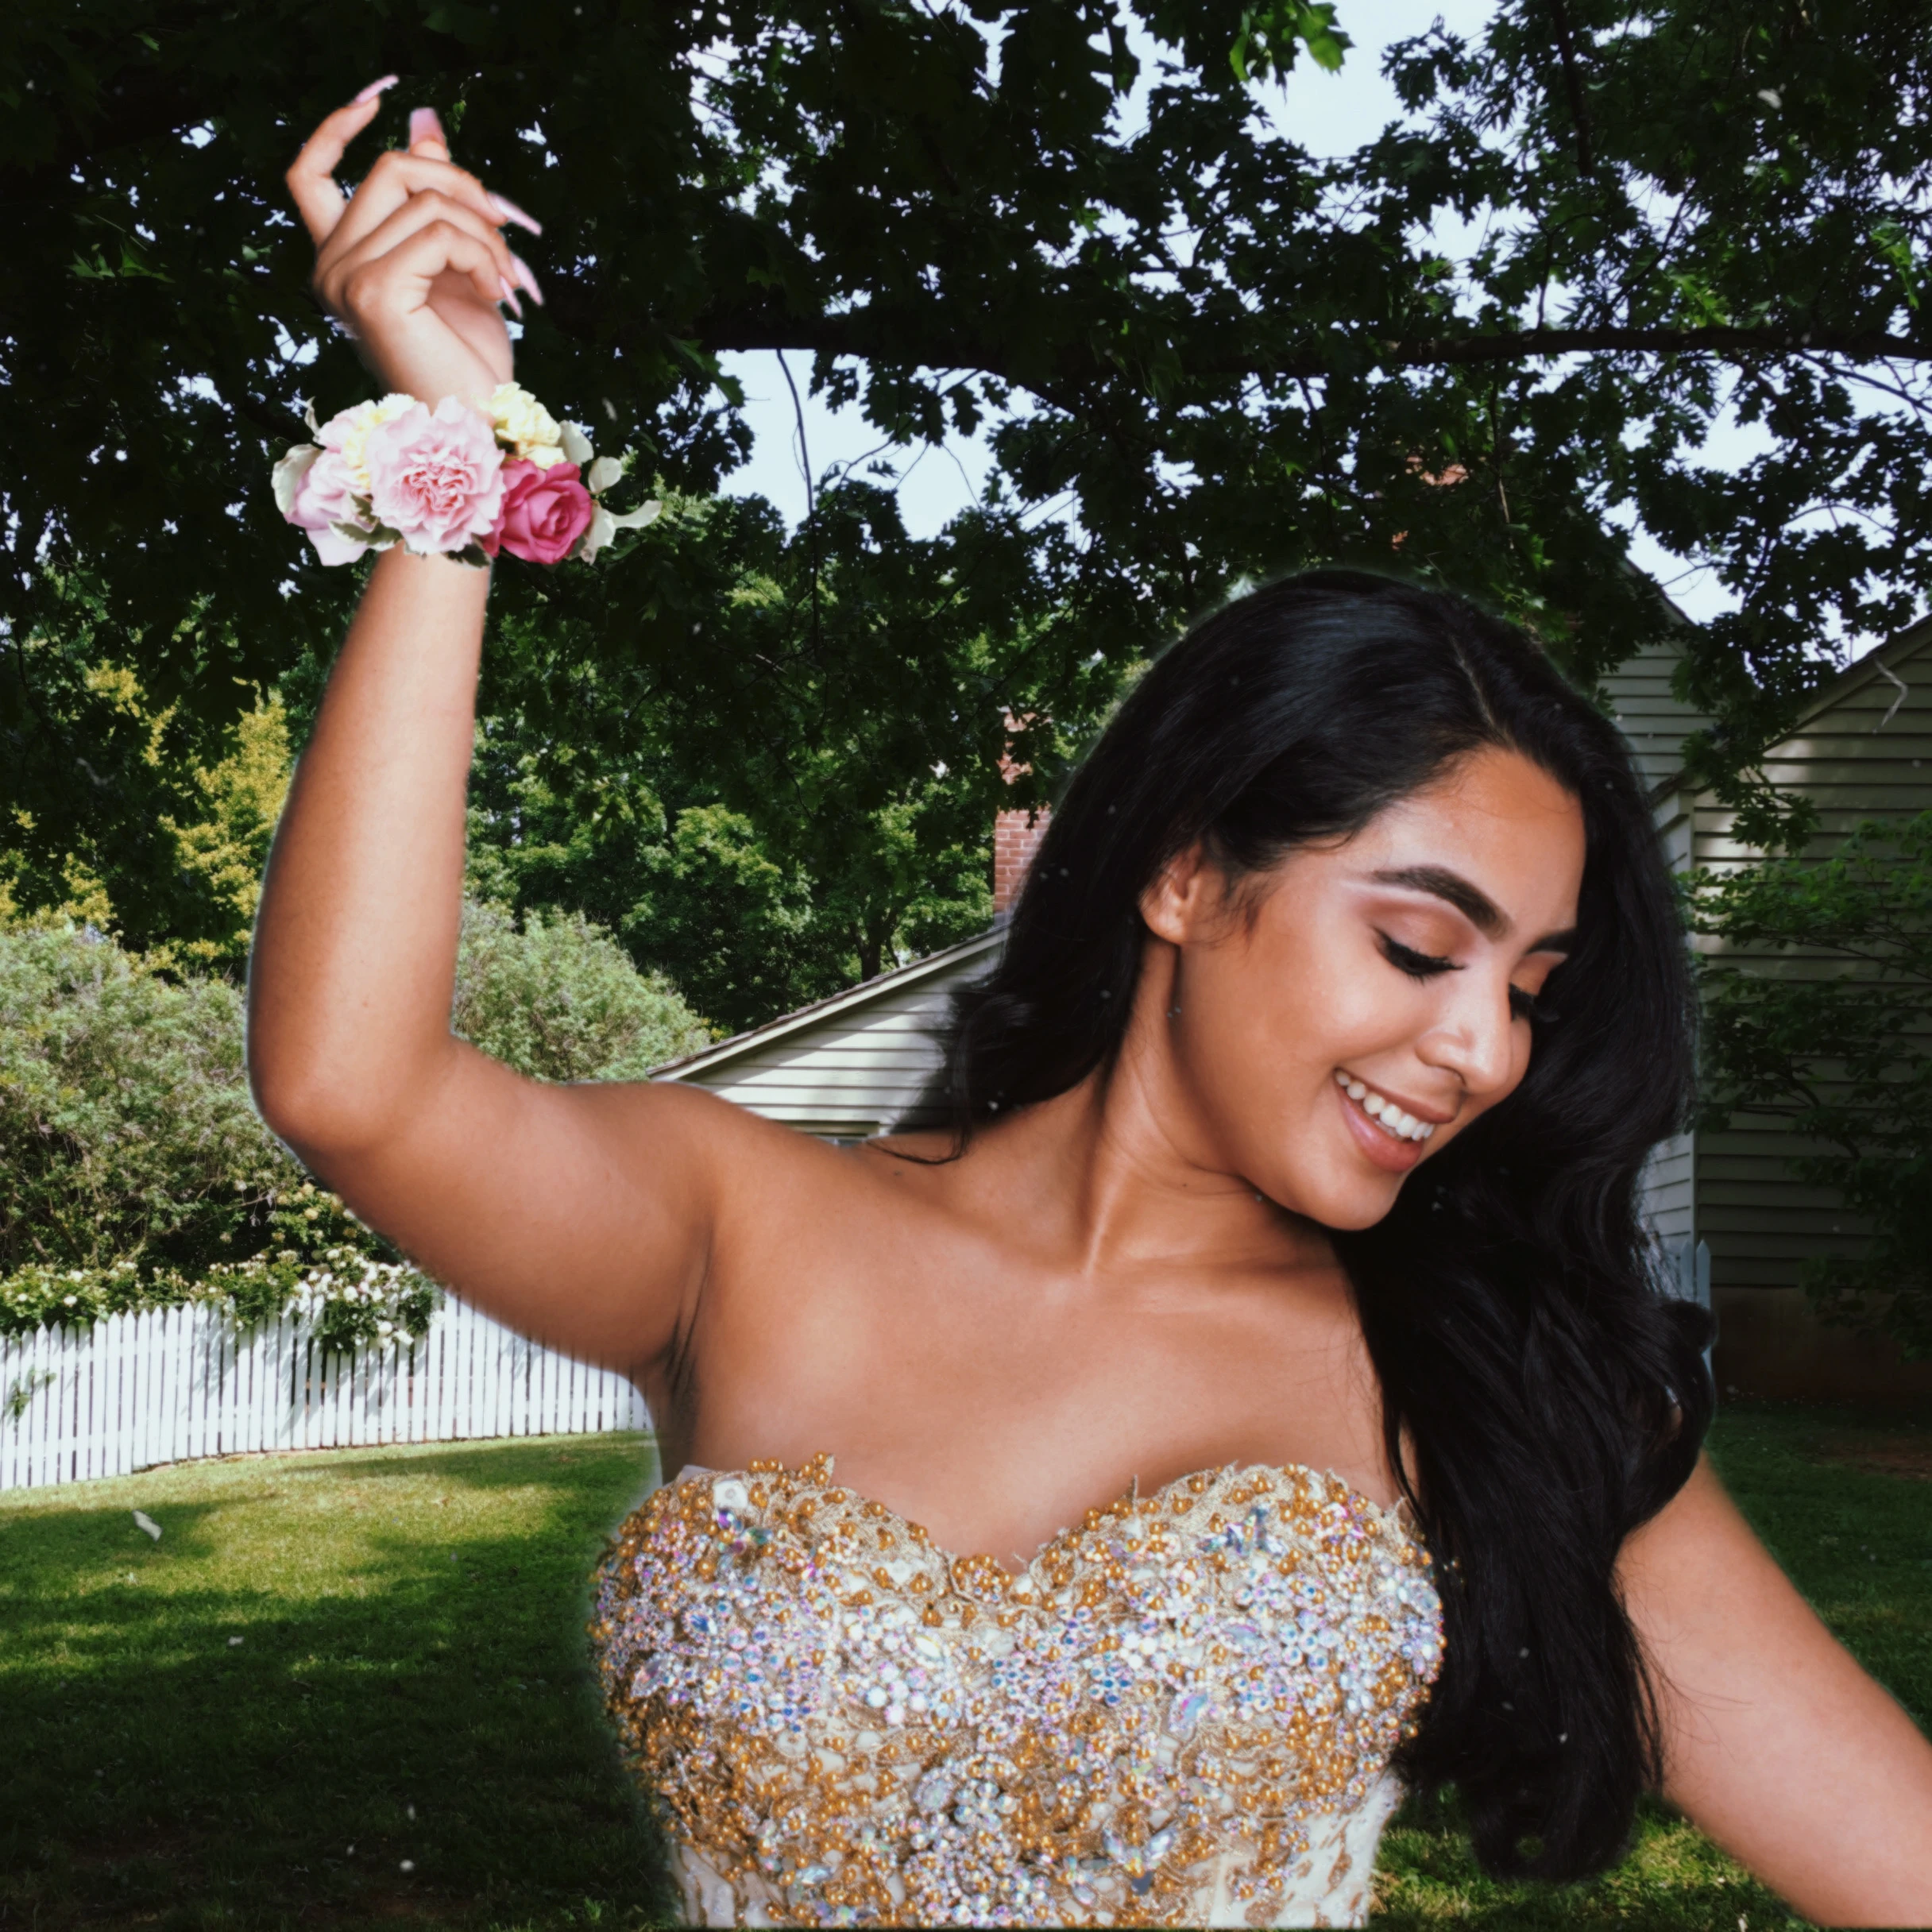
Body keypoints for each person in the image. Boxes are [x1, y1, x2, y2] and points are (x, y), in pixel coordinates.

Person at [253, 89, 1932, 1929]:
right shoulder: (745, 1229)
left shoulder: (1495, 1382)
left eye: (1534, 991)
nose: (1485, 1048)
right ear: (1189, 876)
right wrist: (448, 464)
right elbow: (353, 1083)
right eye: (1418, 946)